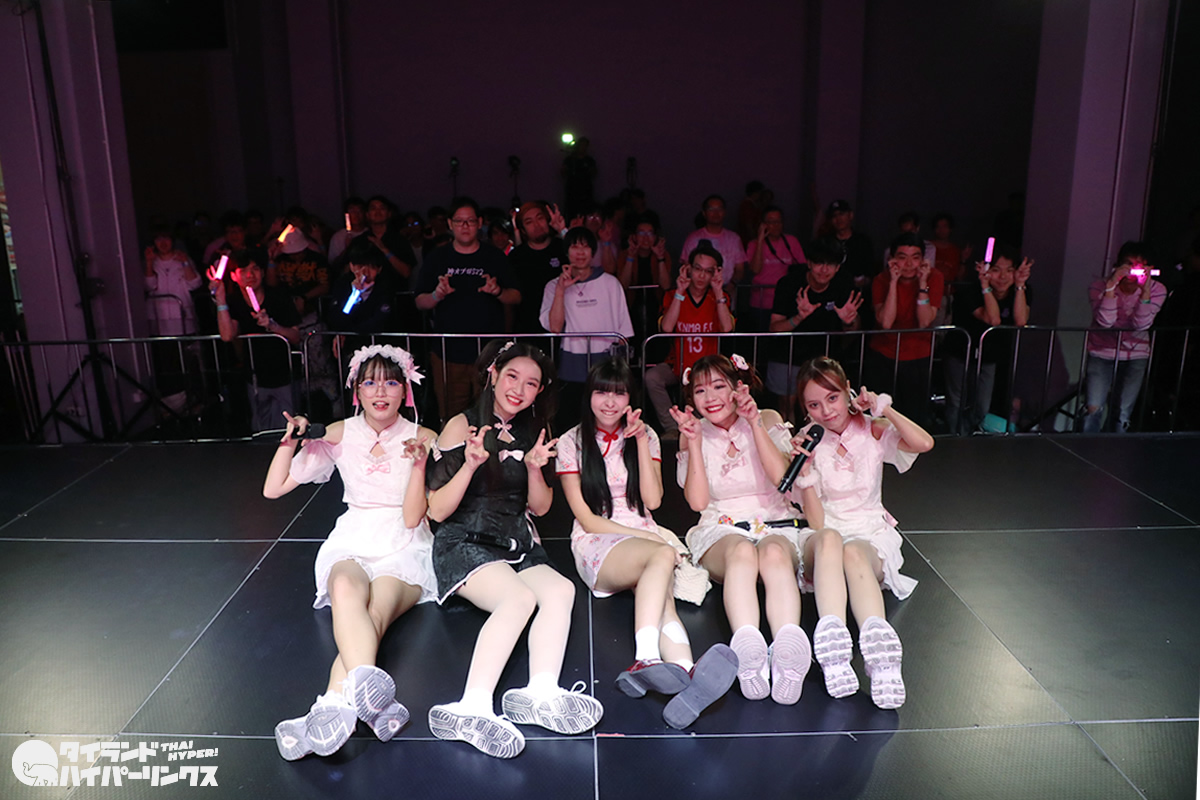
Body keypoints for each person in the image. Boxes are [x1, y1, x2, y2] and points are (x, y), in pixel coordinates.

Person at [425, 341, 603, 758]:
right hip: (464, 540)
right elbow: (436, 511)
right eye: (512, 377)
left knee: (561, 590)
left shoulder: (535, 430)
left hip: (515, 541)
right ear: (493, 375)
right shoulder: (461, 425)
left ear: (540, 391)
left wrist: (535, 470)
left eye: (531, 383)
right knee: (518, 599)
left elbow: (540, 507)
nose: (519, 390)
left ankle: (540, 692)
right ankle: (471, 706)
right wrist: (469, 465)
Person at [264, 345, 439, 759]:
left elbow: (427, 509)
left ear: (405, 391)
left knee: (375, 613)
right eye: (370, 382)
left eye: (391, 382)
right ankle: (375, 704)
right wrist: (290, 441)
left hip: (405, 541)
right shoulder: (340, 432)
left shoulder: (424, 437)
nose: (381, 391)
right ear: (356, 390)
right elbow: (273, 489)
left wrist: (422, 464)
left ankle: (330, 704)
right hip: (353, 536)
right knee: (344, 587)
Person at [556, 360, 737, 729]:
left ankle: (686, 672)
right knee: (662, 555)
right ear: (588, 396)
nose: (610, 402)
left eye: (619, 393)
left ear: (630, 398)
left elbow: (652, 501)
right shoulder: (570, 442)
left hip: (643, 534)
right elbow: (588, 519)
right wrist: (653, 539)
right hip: (598, 541)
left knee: (661, 601)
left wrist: (638, 441)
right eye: (601, 392)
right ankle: (646, 658)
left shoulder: (648, 436)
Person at [790, 356, 933, 709]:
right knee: (832, 541)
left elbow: (924, 443)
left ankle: (880, 653)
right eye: (814, 405)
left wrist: (885, 409)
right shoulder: (806, 442)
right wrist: (805, 471)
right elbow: (816, 522)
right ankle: (834, 647)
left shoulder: (872, 429)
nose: (826, 411)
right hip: (824, 539)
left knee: (854, 551)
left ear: (848, 391)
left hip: (868, 533)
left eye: (832, 398)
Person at [669, 354, 812, 706]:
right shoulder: (693, 432)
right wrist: (694, 443)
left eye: (719, 386)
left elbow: (782, 480)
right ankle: (749, 653)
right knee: (742, 552)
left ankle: (787, 652)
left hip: (775, 520)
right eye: (700, 391)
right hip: (722, 527)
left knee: (774, 553)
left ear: (738, 388)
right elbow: (698, 502)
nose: (710, 398)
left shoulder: (767, 418)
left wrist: (754, 423)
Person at [414, 197, 521, 424]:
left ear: (479, 223)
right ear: (450, 224)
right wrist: (437, 295)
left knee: (492, 414)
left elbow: (516, 296)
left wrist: (497, 291)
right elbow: (420, 301)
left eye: (470, 221)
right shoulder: (437, 258)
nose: (465, 226)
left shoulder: (494, 256)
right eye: (459, 221)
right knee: (452, 417)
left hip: (490, 353)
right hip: (449, 353)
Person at [540, 226, 634, 428]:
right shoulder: (553, 286)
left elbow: (623, 332)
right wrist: (561, 291)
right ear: (567, 252)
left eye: (585, 247)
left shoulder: (610, 283)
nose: (580, 252)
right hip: (571, 363)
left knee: (607, 420)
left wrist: (621, 368)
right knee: (570, 420)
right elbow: (555, 327)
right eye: (574, 247)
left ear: (593, 251)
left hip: (606, 360)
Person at [645, 242, 735, 440]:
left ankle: (707, 429)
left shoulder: (719, 297)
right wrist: (680, 291)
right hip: (678, 363)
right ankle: (672, 427)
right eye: (697, 269)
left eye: (708, 271)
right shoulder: (673, 295)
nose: (702, 276)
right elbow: (667, 327)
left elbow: (727, 328)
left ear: (716, 273)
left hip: (708, 367)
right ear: (688, 269)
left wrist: (718, 292)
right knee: (652, 377)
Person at [767, 242, 864, 422]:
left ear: (837, 268)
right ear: (809, 263)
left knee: (824, 407)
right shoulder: (789, 283)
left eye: (831, 264)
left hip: (826, 357)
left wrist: (848, 321)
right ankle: (789, 439)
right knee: (787, 407)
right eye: (819, 263)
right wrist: (798, 317)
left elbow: (853, 328)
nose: (824, 270)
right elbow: (775, 328)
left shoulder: (843, 284)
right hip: (788, 355)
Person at [943, 245, 1032, 433]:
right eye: (996, 270)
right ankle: (954, 439)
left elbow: (1021, 321)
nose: (1003, 276)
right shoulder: (971, 291)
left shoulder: (1022, 290)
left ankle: (969, 436)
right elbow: (993, 319)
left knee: (981, 406)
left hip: (990, 355)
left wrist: (1019, 285)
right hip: (961, 351)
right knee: (956, 402)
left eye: (1009, 270)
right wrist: (985, 286)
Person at [208, 253, 301, 432]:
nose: (250, 275)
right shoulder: (234, 301)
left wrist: (273, 326)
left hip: (285, 372)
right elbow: (227, 335)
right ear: (233, 276)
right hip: (255, 375)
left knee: (290, 427)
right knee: (260, 428)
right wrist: (220, 300)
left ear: (263, 272)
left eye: (255, 269)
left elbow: (296, 336)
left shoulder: (279, 296)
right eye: (243, 271)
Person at [1083, 242, 1168, 432]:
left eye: (1140, 266)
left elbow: (1141, 324)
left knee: (1122, 413)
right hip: (1101, 351)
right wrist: (1111, 287)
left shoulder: (1157, 289)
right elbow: (1105, 322)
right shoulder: (1099, 286)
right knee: (1093, 408)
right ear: (1118, 265)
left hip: (1136, 354)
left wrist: (1145, 291)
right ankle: (1086, 446)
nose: (1133, 271)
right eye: (1129, 264)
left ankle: (1114, 448)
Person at [866, 232, 944, 428]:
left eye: (915, 258)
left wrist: (923, 284)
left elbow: (924, 321)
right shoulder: (881, 279)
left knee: (914, 416)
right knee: (881, 415)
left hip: (918, 353)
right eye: (902, 257)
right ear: (892, 259)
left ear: (923, 259)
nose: (909, 264)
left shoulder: (934, 277)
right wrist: (893, 282)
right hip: (884, 352)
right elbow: (886, 322)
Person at [509, 201, 568, 333]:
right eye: (529, 222)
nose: (536, 225)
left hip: (563, 325)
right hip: (527, 328)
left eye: (540, 218)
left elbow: (583, 261)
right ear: (523, 230)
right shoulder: (516, 257)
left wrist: (562, 230)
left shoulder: (562, 248)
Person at [746, 206, 807, 331]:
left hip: (786, 300)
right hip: (761, 301)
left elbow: (803, 267)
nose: (775, 225)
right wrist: (760, 240)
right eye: (771, 222)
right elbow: (755, 269)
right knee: (761, 337)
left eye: (778, 221)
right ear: (763, 224)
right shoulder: (753, 244)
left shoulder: (792, 241)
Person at [679, 195, 747, 295]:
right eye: (711, 209)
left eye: (719, 209)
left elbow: (740, 269)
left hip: (727, 291)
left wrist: (731, 286)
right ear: (704, 213)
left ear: (724, 212)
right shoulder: (693, 238)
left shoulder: (734, 238)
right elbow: (686, 267)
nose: (716, 213)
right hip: (698, 293)